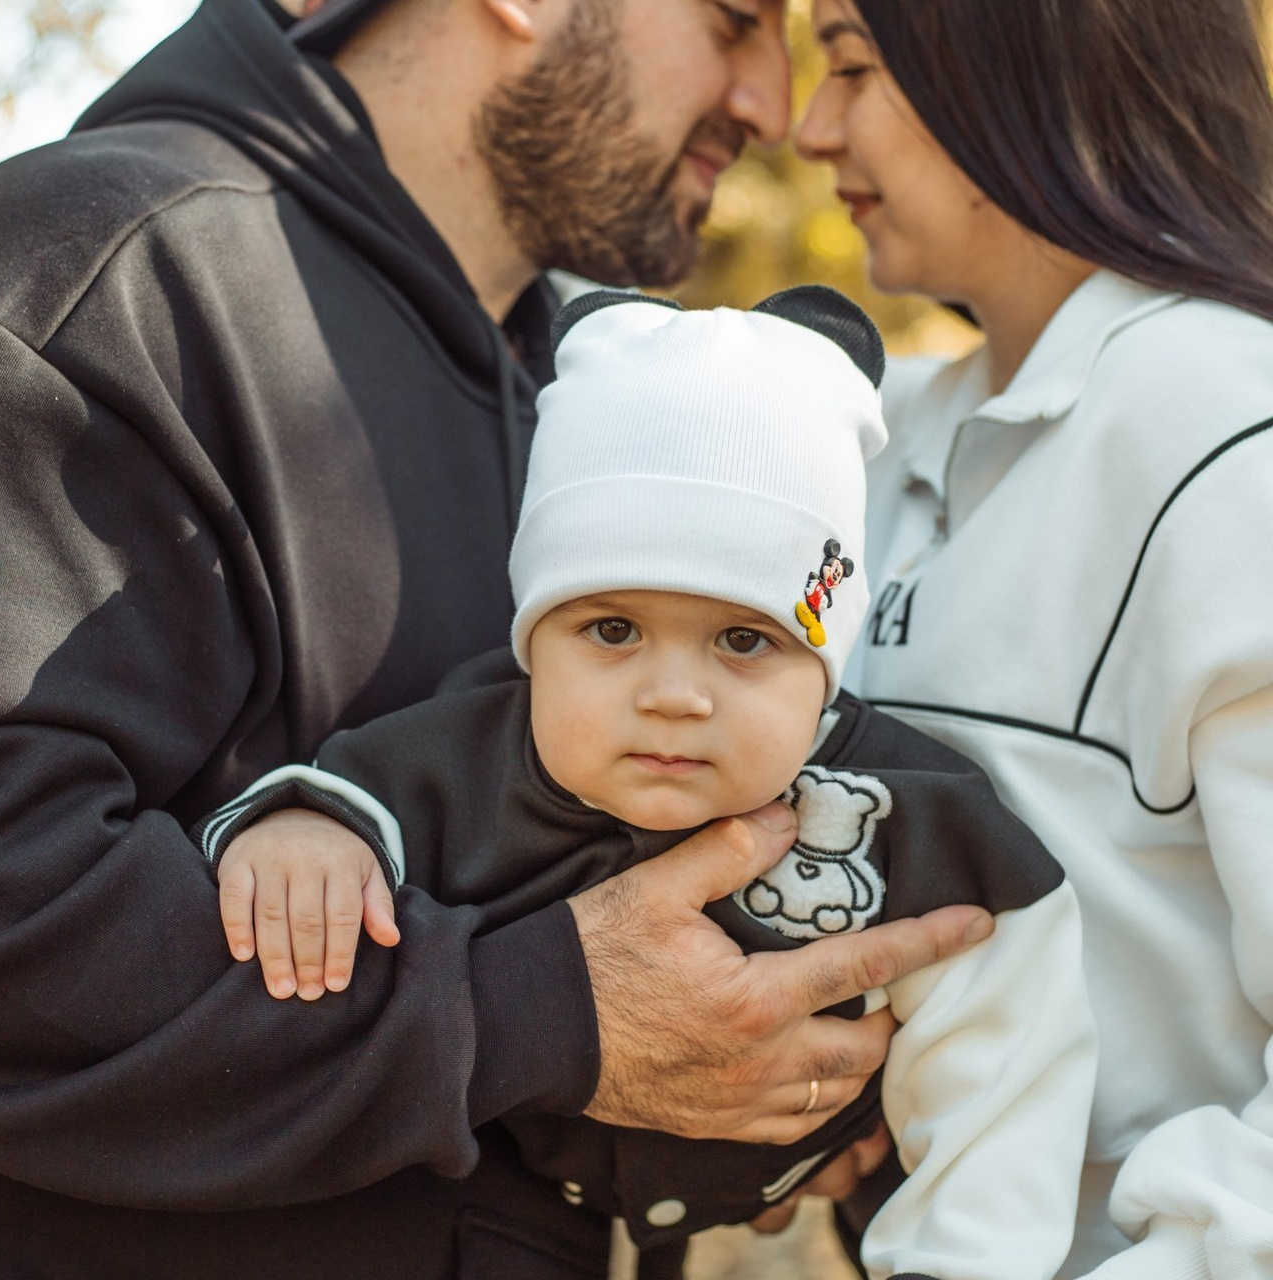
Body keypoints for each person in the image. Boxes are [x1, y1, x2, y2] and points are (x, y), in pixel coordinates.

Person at [0, 0, 993, 1274]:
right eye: (736, 23)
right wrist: (541, 1016)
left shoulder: (580, 397)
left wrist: (760, 1099)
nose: (770, 107)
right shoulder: (101, 274)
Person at [203, 286, 1095, 1280]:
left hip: (792, 1190)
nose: (673, 695)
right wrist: (304, 829)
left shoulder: (905, 809)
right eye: (612, 629)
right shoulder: (474, 750)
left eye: (744, 639)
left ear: (823, 657)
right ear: (534, 640)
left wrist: (960, 1255)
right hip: (524, 1211)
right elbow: (355, 791)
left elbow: (1008, 1053)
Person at [793, 0, 1273, 1276]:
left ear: (1023, 54)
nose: (806, 125)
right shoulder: (886, 437)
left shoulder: (1233, 441)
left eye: (847, 63)